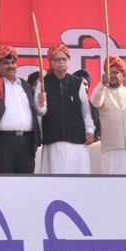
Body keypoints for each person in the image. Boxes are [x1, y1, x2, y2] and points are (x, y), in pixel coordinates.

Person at [0, 45, 42, 173]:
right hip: (0, 143)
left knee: (25, 186)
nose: (11, 66)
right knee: (1, 186)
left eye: (13, 62)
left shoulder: (24, 85)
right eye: (5, 63)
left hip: (26, 143)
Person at [36, 44, 95, 174]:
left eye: (64, 59)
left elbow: (85, 111)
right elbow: (40, 112)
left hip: (77, 142)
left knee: (77, 179)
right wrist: (41, 103)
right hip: (53, 142)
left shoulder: (77, 82)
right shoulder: (43, 83)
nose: (61, 62)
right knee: (54, 179)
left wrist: (90, 130)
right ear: (51, 62)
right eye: (57, 59)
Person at [90, 57, 126, 174]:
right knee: (113, 185)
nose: (112, 75)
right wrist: (102, 83)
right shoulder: (102, 91)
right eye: (109, 73)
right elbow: (94, 101)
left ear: (123, 75)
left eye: (115, 72)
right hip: (112, 150)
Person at [74, 68, 101, 142]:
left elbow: (98, 131)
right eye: (81, 83)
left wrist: (93, 138)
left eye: (85, 84)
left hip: (90, 146)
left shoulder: (94, 107)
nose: (83, 87)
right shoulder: (67, 105)